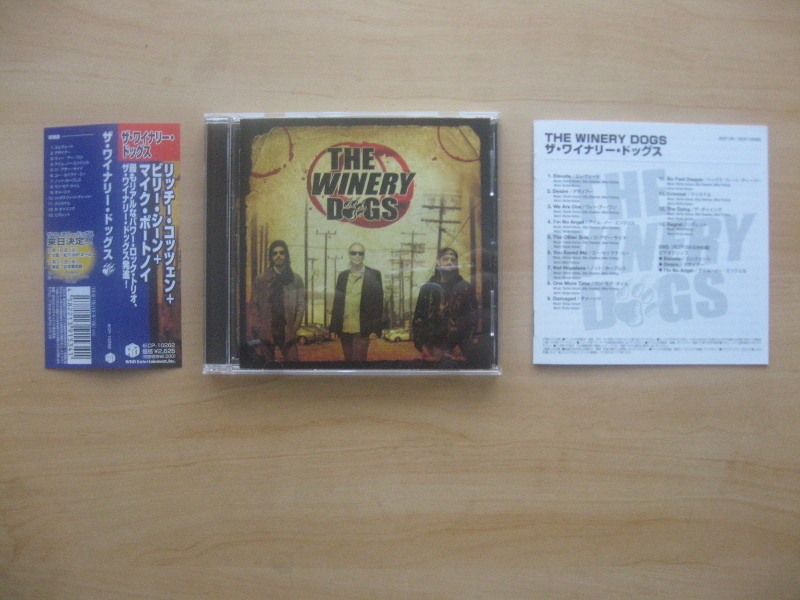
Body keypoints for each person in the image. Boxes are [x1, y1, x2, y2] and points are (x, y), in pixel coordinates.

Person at [412, 247, 478, 361]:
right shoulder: (427, 288)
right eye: (445, 259)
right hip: (432, 348)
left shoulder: (466, 287)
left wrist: (465, 344)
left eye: (453, 260)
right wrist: (421, 344)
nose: (449, 262)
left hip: (457, 349)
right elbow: (419, 318)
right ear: (438, 262)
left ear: (456, 263)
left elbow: (472, 318)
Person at [251, 240, 306, 362]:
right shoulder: (261, 279)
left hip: (287, 331)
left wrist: (295, 327)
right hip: (267, 330)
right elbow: (254, 305)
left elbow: (301, 305)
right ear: (271, 257)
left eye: (281, 253)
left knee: (294, 364)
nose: (278, 256)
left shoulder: (295, 279)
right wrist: (259, 327)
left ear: (286, 256)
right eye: (275, 253)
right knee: (267, 366)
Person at [329, 242, 384, 361]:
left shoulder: (374, 275)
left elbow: (378, 304)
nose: (357, 256)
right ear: (349, 255)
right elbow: (337, 303)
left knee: (359, 361)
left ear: (364, 255)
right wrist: (333, 328)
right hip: (345, 329)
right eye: (354, 253)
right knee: (348, 361)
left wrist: (375, 329)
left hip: (363, 330)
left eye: (360, 253)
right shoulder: (342, 276)